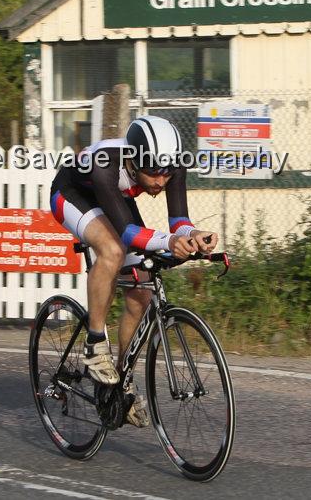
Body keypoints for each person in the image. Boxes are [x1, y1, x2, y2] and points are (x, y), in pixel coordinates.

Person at [49, 116, 218, 427]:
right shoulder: (107, 162)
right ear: (134, 158)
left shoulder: (171, 165)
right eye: (152, 172)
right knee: (112, 251)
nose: (159, 181)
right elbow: (127, 232)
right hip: (73, 193)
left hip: (115, 198)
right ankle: (95, 344)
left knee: (140, 293)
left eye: (166, 173)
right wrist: (171, 241)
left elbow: (179, 220)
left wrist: (194, 236)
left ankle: (120, 381)